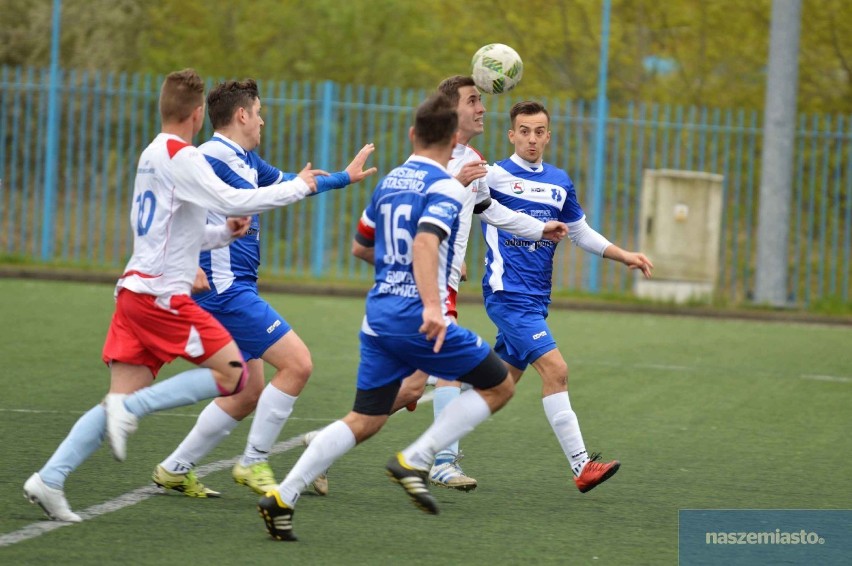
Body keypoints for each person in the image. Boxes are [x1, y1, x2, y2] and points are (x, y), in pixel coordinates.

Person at [22, 68, 332, 522]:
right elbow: (237, 200)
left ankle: (50, 478)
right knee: (235, 377)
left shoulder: (152, 153)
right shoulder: (184, 157)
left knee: (115, 403)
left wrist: (222, 236)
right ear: (195, 114)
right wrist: (300, 185)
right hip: (161, 298)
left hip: (134, 290)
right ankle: (135, 413)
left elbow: (173, 230)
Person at [258, 93, 516, 542]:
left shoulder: (392, 179)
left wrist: (395, 273)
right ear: (452, 137)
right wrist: (432, 308)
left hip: (377, 318)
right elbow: (424, 242)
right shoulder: (442, 185)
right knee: (500, 385)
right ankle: (416, 458)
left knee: (366, 419)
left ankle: (282, 497)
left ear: (413, 134)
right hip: (418, 320)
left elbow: (361, 246)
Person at [148, 79, 377, 499]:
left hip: (233, 288)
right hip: (225, 290)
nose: (262, 120)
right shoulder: (211, 156)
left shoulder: (243, 157)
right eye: (259, 112)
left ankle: (174, 469)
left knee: (248, 390)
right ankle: (253, 462)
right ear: (241, 115)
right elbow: (260, 197)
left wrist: (344, 177)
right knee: (298, 364)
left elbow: (292, 182)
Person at [354, 76, 568, 492]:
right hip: (425, 288)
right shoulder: (439, 162)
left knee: (415, 384)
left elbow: (492, 211)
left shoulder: (473, 158)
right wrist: (457, 186)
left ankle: (331, 443)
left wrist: (541, 229)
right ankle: (442, 462)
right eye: (474, 101)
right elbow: (421, 217)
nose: (483, 108)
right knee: (450, 372)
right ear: (453, 112)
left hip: (443, 284)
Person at [480, 100, 654, 493]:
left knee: (497, 389)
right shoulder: (492, 176)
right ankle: (581, 465)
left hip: (536, 300)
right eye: (523, 131)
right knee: (556, 371)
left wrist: (623, 254)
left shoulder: (559, 181)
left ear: (548, 136)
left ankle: (421, 452)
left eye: (539, 131)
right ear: (511, 135)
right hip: (507, 295)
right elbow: (463, 207)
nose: (531, 139)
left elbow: (580, 232)